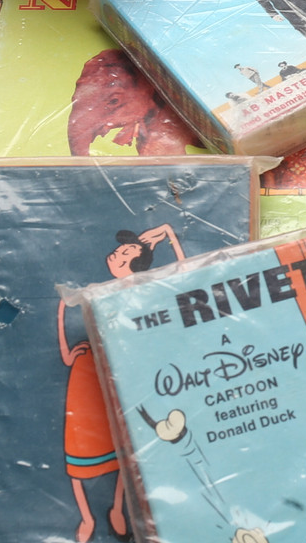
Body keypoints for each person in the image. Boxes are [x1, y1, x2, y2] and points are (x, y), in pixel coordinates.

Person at [58, 225, 184, 542]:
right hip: (85, 383)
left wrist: (168, 233)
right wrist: (68, 346)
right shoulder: (90, 295)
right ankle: (87, 517)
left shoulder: (146, 298)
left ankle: (117, 508)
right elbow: (64, 333)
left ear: (136, 264)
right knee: (79, 449)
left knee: (125, 452)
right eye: (120, 249)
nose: (117, 253)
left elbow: (186, 279)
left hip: (127, 380)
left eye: (126, 252)